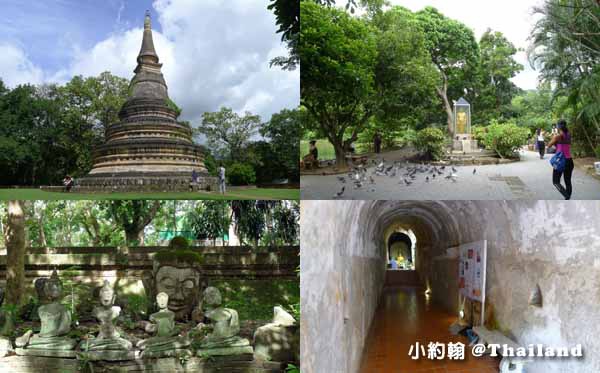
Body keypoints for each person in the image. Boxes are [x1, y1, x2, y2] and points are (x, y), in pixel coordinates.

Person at [547, 120, 574, 200]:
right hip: (569, 161)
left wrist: (555, 141)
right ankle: (567, 199)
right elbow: (565, 144)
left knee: (555, 182)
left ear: (558, 127)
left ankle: (567, 196)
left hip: (560, 161)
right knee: (568, 181)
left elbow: (549, 145)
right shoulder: (569, 135)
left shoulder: (557, 136)